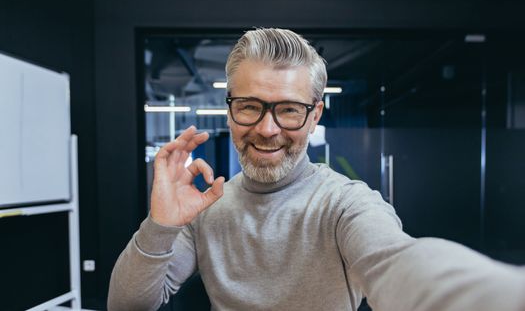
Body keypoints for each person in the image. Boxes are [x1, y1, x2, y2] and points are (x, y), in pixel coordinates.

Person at [108, 28, 525, 311]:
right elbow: (128, 305)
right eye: (250, 107)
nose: (267, 129)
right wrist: (160, 225)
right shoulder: (206, 209)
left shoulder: (346, 204)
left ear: (314, 116)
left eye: (288, 109)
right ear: (230, 110)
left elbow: (401, 266)